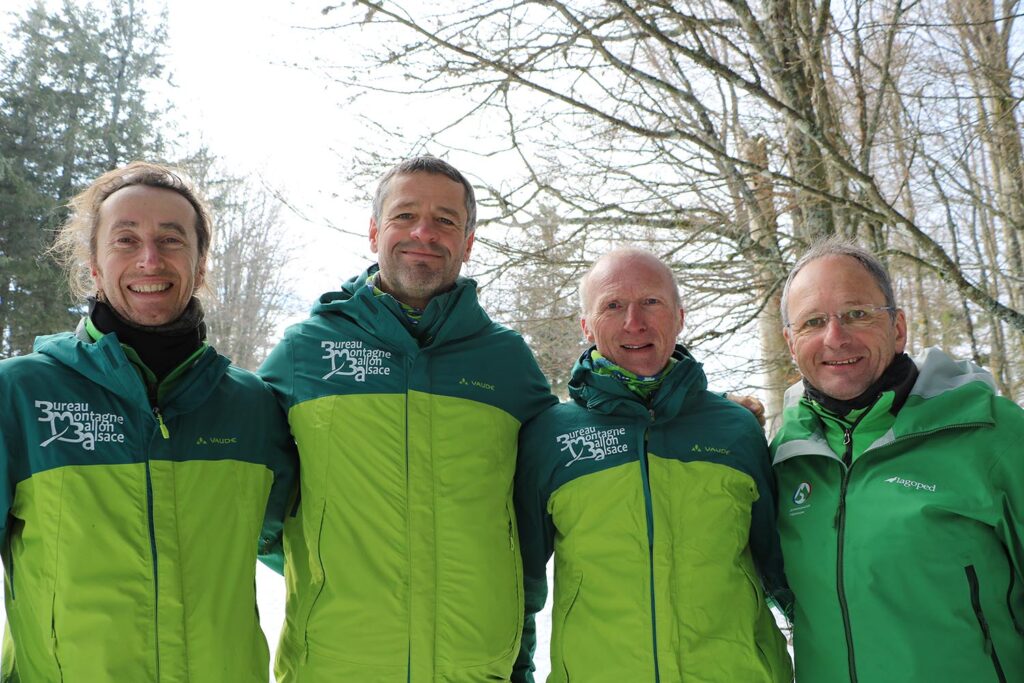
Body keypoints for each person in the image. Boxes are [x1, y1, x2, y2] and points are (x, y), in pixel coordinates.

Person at [259, 156, 557, 681]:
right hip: (334, 667)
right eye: (404, 215)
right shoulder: (305, 351)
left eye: (446, 220)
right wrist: (331, 575)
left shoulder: (508, 364)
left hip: (474, 669)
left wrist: (705, 413)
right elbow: (248, 499)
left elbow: (535, 525)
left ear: (467, 242)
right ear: (375, 230)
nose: (424, 232)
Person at [0, 161, 297, 681]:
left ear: (201, 264)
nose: (149, 258)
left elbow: (309, 546)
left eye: (171, 239)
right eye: (125, 239)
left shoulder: (252, 408)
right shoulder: (20, 393)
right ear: (93, 264)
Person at [513, 247, 792, 682]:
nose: (634, 322)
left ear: (679, 317)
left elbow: (783, 570)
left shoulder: (735, 429)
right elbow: (520, 587)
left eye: (651, 302)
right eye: (613, 305)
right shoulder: (550, 436)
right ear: (586, 326)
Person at [771, 238, 1024, 682]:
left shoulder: (993, 435)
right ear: (792, 344)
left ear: (898, 327)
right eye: (813, 322)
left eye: (857, 313)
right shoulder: (786, 459)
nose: (836, 336)